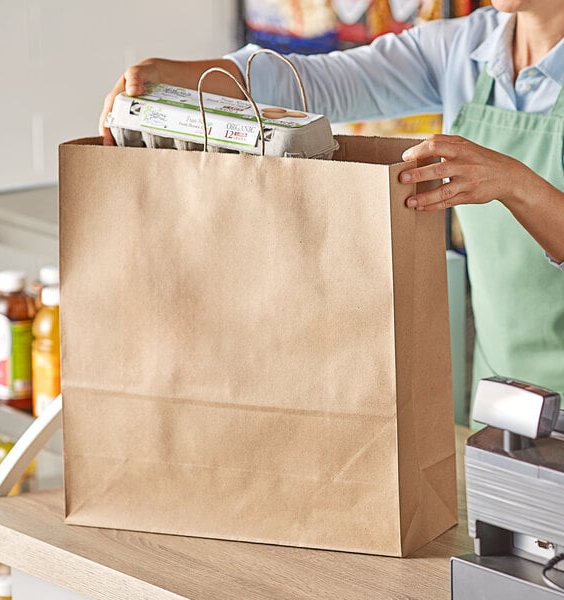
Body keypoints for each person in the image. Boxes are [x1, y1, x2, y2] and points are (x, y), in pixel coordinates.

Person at [100, 1, 564, 422]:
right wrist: (174, 76)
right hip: (505, 399)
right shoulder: (464, 48)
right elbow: (314, 83)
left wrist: (516, 184)